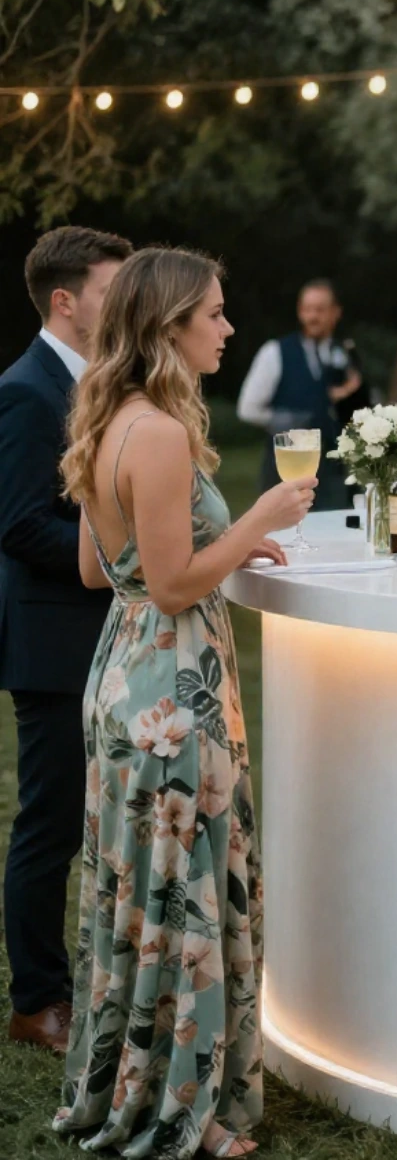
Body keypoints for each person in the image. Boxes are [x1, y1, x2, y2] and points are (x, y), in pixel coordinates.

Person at [54, 247, 317, 1160]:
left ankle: (141, 1077)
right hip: (174, 692)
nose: (228, 327)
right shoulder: (160, 434)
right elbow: (170, 587)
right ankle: (188, 1111)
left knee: (142, 893)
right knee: (181, 901)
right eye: (213, 313)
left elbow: (105, 570)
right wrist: (254, 524)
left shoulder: (110, 418)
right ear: (169, 327)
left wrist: (224, 550)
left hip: (123, 674)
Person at [0, 226, 132, 1054]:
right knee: (50, 823)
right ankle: (36, 1001)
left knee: (96, 818)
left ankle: (91, 979)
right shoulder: (26, 390)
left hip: (102, 633)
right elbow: (16, 525)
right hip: (52, 641)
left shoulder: (97, 384)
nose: (120, 307)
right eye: (109, 293)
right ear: (66, 300)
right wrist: (111, 564)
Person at [235, 279, 358, 510]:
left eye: (320, 310)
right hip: (288, 468)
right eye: (306, 309)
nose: (312, 317)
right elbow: (248, 409)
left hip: (333, 471)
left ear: (335, 313)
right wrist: (291, 423)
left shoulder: (344, 354)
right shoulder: (275, 352)